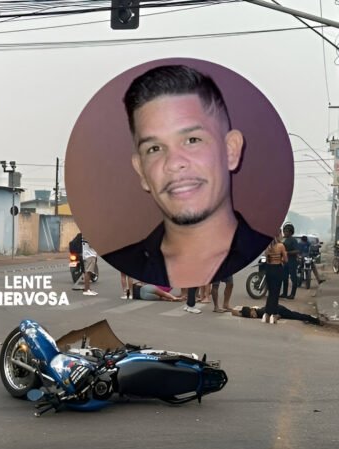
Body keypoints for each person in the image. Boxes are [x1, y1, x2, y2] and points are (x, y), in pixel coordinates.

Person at [101, 64, 273, 288]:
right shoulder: (121, 263)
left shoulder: (263, 255)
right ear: (141, 171)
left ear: (231, 150)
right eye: (154, 149)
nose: (174, 163)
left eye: (192, 140)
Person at [263, 234, 287, 324]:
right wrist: (281, 259)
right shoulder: (281, 246)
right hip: (277, 269)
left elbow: (266, 257)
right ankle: (274, 314)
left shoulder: (267, 246)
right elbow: (286, 259)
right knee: (275, 293)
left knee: (270, 293)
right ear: (278, 235)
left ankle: (267, 314)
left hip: (269, 269)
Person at [231, 305, 320, 325]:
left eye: (252, 314)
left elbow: (278, 315)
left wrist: (276, 317)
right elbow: (233, 311)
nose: (253, 316)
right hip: (276, 308)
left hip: (279, 310)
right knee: (295, 315)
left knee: (295, 316)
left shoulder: (261, 312)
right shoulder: (249, 312)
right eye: (251, 316)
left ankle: (313, 319)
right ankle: (311, 318)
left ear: (252, 309)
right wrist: (240, 314)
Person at [280, 223, 299, 299]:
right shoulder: (283, 239)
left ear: (291, 232)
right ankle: (284, 293)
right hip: (285, 261)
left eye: (287, 231)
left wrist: (287, 252)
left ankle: (293, 294)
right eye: (284, 231)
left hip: (292, 261)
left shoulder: (293, 240)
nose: (285, 233)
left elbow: (297, 251)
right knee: (284, 277)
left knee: (293, 278)